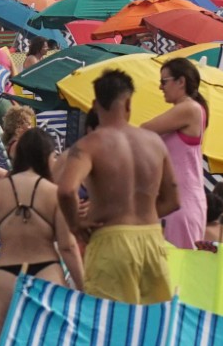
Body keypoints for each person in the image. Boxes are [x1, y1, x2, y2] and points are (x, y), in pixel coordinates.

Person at [54, 69, 178, 305]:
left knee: (109, 320)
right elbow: (173, 200)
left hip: (111, 241)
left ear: (94, 105)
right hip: (152, 240)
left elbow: (66, 190)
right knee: (152, 320)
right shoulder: (154, 142)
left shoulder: (89, 145)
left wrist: (76, 225)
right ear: (129, 103)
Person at [0, 127, 85, 346]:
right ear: (46, 156)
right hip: (46, 274)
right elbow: (68, 247)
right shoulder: (53, 192)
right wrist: (82, 286)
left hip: (7, 274)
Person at [141, 58, 208, 249]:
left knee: (177, 264)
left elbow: (144, 129)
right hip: (176, 201)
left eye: (164, 81)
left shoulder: (190, 108)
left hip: (181, 203)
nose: (160, 87)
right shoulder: (187, 110)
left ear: (181, 82)